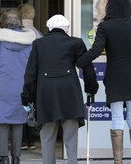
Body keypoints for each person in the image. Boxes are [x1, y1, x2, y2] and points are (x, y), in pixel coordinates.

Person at [75, 0, 131, 164]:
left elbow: (96, 50)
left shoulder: (105, 26)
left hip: (115, 78)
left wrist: (79, 62)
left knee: (117, 117)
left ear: (110, 6)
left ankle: (118, 162)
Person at [21, 14, 99, 164]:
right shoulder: (76, 43)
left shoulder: (39, 44)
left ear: (49, 28)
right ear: (67, 29)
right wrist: (91, 88)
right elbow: (87, 67)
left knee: (48, 136)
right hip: (70, 92)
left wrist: (26, 97)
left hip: (46, 94)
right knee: (70, 136)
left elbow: (31, 73)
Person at [0, 9, 36, 164]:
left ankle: (4, 157)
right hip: (22, 86)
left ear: (3, 22)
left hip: (1, 86)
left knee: (2, 121)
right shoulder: (30, 42)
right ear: (20, 21)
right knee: (19, 121)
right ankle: (17, 157)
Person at [18, 3, 43, 150]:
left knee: (21, 106)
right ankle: (31, 140)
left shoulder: (19, 33)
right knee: (31, 108)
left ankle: (21, 140)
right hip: (36, 76)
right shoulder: (38, 34)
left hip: (21, 75)